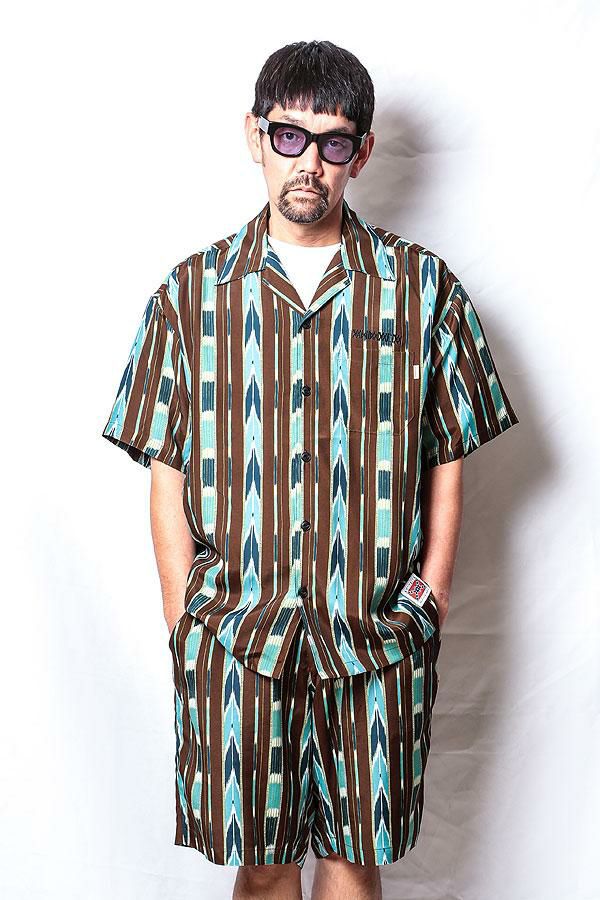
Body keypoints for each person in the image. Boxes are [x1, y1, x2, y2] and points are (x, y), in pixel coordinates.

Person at [101, 39, 519, 900]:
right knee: (261, 866)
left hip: (375, 644)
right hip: (238, 644)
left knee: (354, 860)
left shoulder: (423, 290)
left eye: (334, 143)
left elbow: (448, 450)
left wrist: (431, 599)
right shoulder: (191, 295)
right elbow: (164, 465)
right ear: (254, 136)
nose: (310, 163)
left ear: (361, 154)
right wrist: (185, 618)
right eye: (290, 136)